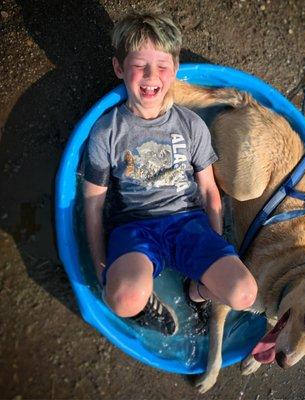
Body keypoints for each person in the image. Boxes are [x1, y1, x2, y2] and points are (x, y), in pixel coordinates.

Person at [83, 11, 258, 336]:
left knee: (244, 293)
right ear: (120, 68)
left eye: (162, 66)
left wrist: (214, 242)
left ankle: (195, 291)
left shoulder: (190, 125)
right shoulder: (107, 131)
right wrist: (100, 264)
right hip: (134, 228)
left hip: (188, 224)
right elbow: (93, 203)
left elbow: (208, 190)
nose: (151, 76)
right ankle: (142, 304)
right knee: (119, 298)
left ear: (175, 70)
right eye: (139, 65)